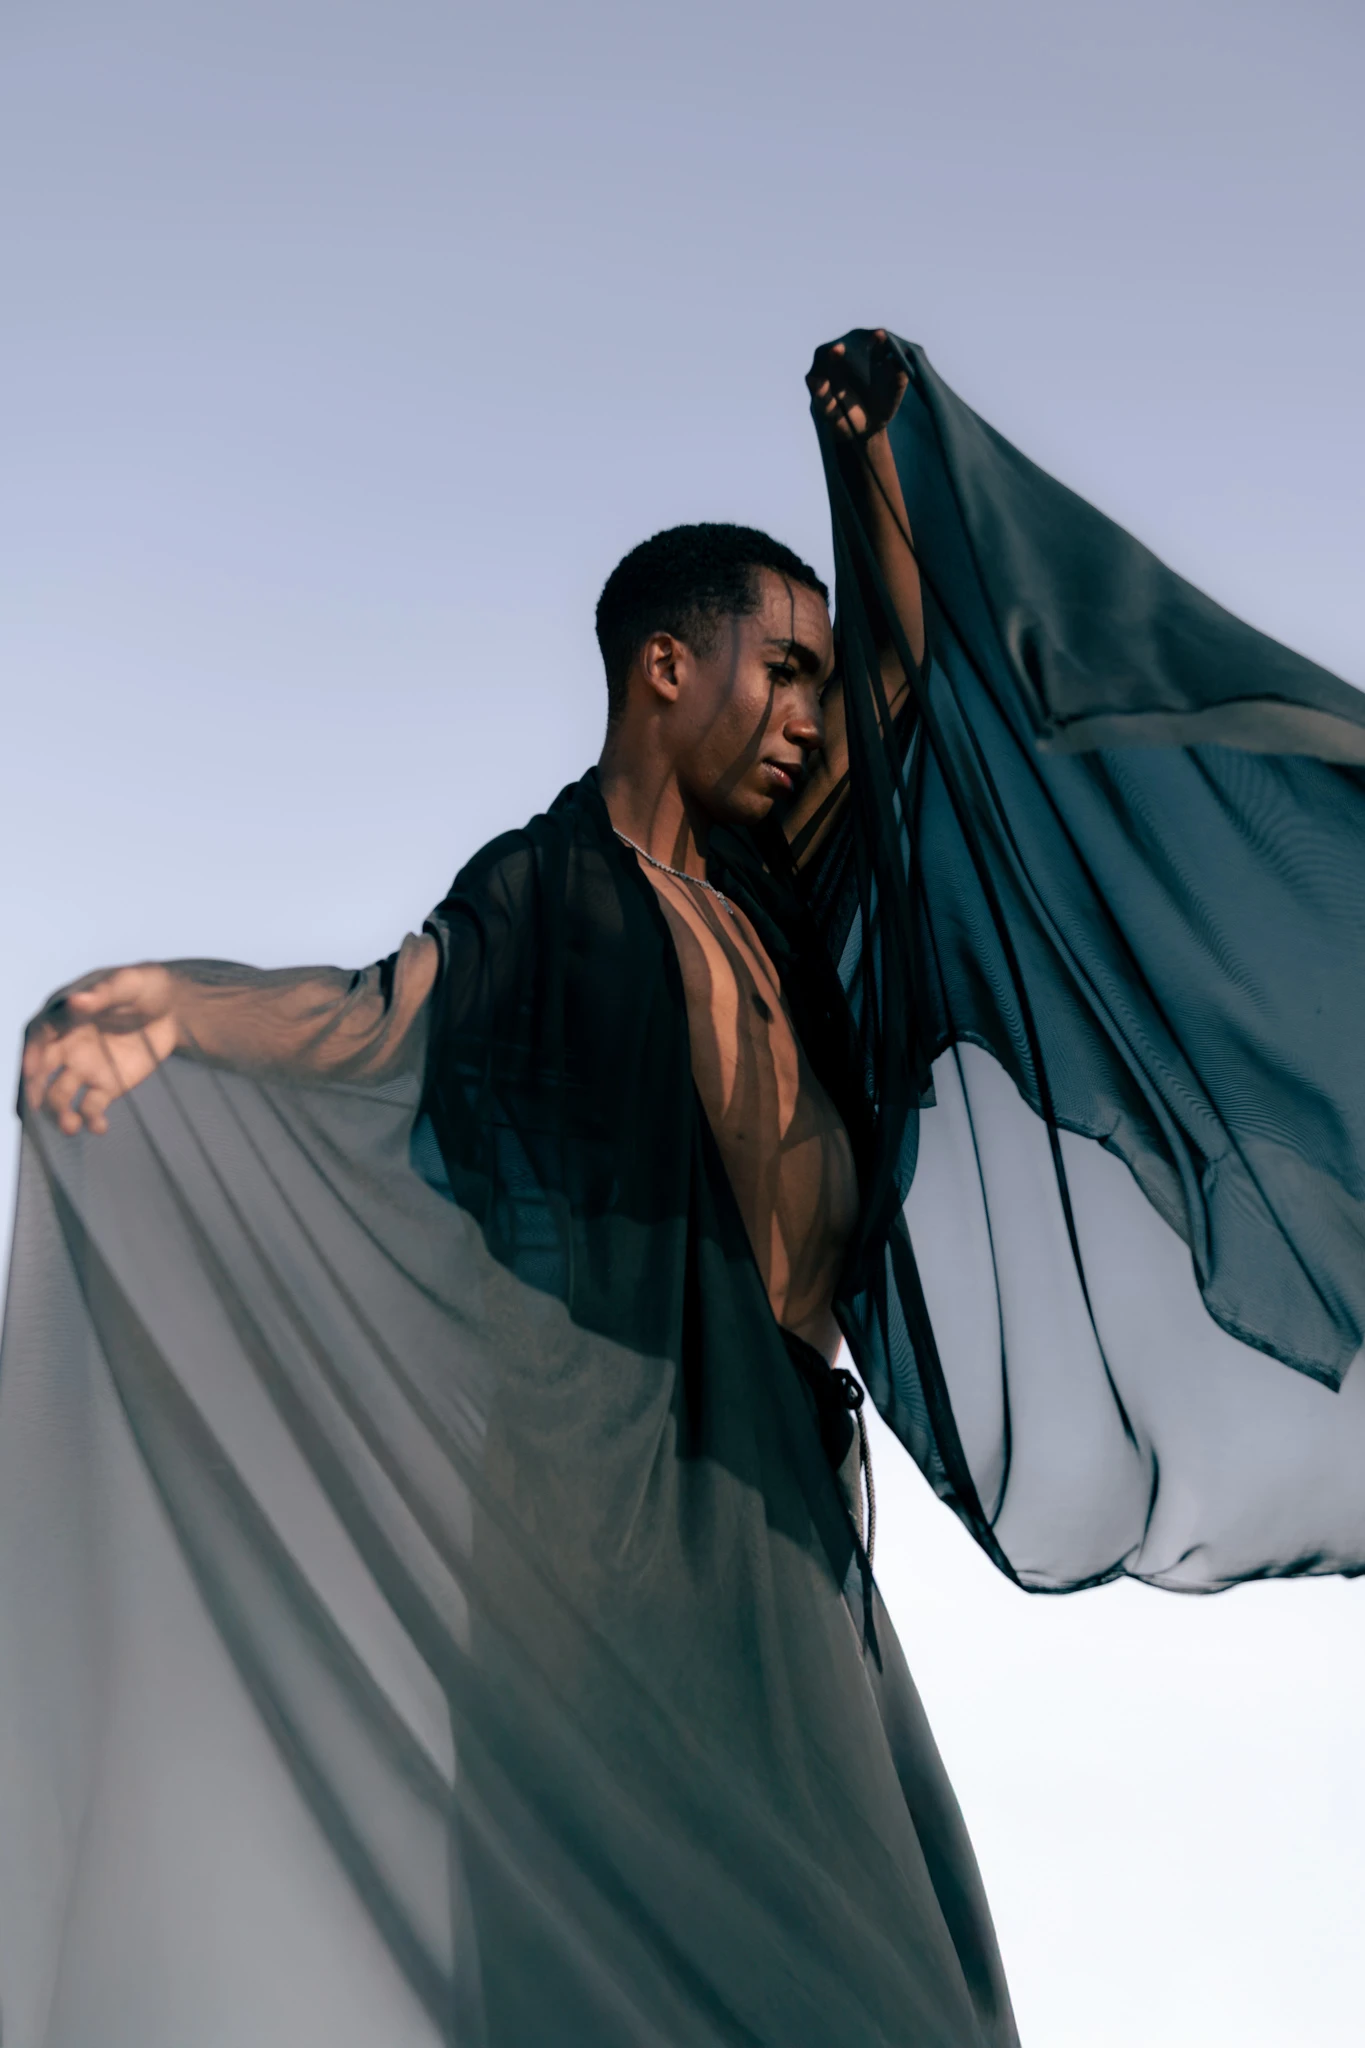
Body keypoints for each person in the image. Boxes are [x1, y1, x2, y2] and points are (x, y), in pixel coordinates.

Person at [11, 325, 1365, 2046]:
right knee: (676, 1955)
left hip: (781, 1483)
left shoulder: (786, 898)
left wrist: (876, 465)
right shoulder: (549, 888)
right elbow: (376, 1015)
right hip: (612, 1489)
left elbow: (915, 697)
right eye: (777, 672)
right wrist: (173, 1006)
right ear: (666, 666)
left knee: (884, 1975)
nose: (805, 717)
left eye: (814, 681)